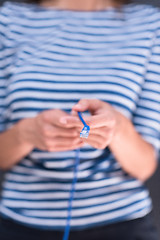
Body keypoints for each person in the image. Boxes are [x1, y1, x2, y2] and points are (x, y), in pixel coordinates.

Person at [0, 0, 159, 239]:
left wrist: (117, 128)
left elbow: (145, 166)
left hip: (122, 224)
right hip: (18, 224)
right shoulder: (9, 19)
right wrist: (25, 133)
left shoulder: (149, 24)